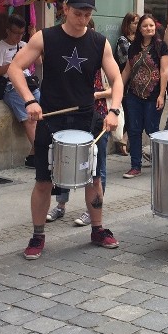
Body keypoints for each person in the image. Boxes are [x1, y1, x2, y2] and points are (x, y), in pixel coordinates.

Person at [7, 0, 123, 259]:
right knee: (43, 181)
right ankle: (37, 236)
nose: (82, 18)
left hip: (85, 117)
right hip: (51, 117)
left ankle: (98, 229)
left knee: (93, 179)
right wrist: (28, 100)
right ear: (65, 10)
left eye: (86, 14)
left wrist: (114, 110)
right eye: (77, 13)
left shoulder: (99, 42)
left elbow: (117, 79)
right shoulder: (45, 37)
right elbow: (14, 68)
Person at [47, 66, 113, 225]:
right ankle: (60, 205)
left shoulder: (105, 65)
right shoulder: (74, 65)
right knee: (65, 161)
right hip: (74, 118)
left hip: (99, 119)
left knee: (96, 166)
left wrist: (97, 95)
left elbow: (117, 88)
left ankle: (92, 210)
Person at [121, 13, 168, 178]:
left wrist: (162, 95)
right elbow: (127, 70)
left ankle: (162, 162)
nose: (148, 28)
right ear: (139, 29)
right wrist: (118, 88)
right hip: (134, 95)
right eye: (145, 26)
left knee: (152, 129)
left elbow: (164, 71)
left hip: (154, 95)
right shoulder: (133, 47)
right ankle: (135, 166)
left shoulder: (161, 46)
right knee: (134, 130)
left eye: (151, 25)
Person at [0, 15, 40, 167]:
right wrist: (14, 65)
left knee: (43, 115)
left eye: (21, 33)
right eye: (15, 33)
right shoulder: (0, 47)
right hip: (10, 85)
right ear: (7, 31)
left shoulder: (25, 45)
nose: (18, 36)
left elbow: (39, 62)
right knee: (30, 119)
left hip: (29, 83)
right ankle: (42, 153)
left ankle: (34, 155)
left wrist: (33, 38)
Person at [112, 12, 138, 156]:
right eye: (134, 23)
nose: (136, 25)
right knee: (127, 112)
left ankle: (125, 140)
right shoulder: (123, 40)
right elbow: (125, 61)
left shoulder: (139, 40)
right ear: (127, 24)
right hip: (126, 81)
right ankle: (121, 141)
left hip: (137, 82)